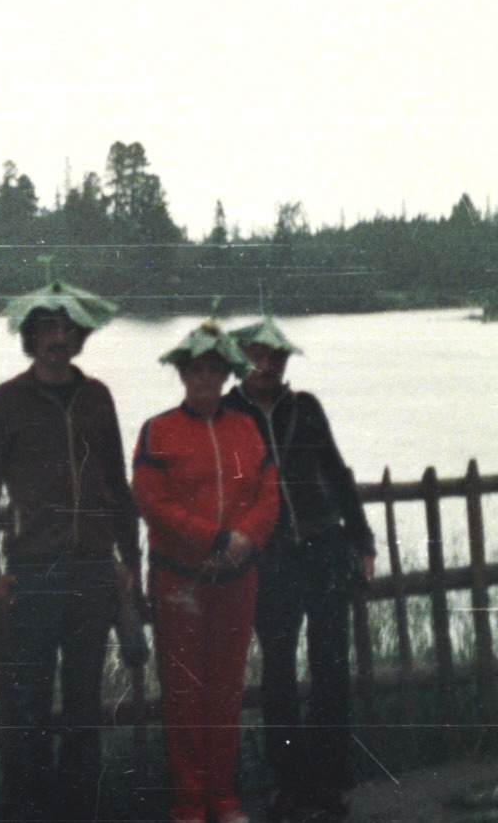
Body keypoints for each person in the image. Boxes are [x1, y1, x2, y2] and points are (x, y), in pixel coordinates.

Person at [0, 278, 141, 822]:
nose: (57, 338)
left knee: (85, 707)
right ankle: (32, 813)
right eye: (46, 328)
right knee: (30, 710)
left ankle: (79, 812)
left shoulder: (98, 398)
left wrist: (129, 560)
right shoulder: (6, 402)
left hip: (91, 572)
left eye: (66, 328)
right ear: (30, 336)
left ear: (79, 336)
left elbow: (117, 482)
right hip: (33, 573)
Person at [224, 316, 375, 822]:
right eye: (258, 355)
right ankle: (289, 781)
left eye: (278, 357)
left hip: (325, 550)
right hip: (271, 560)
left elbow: (336, 470)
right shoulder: (227, 414)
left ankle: (330, 780)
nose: (268, 365)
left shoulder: (306, 408)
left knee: (332, 666)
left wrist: (363, 539)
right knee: (280, 673)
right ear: (242, 358)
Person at [133, 322, 278, 823]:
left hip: (237, 578)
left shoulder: (246, 428)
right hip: (180, 583)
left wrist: (247, 538)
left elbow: (267, 492)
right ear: (182, 373)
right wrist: (212, 537)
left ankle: (224, 797)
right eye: (196, 369)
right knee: (184, 692)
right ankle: (189, 803)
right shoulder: (158, 430)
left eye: (214, 369)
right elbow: (152, 502)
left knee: (226, 690)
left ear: (225, 374)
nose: (205, 378)